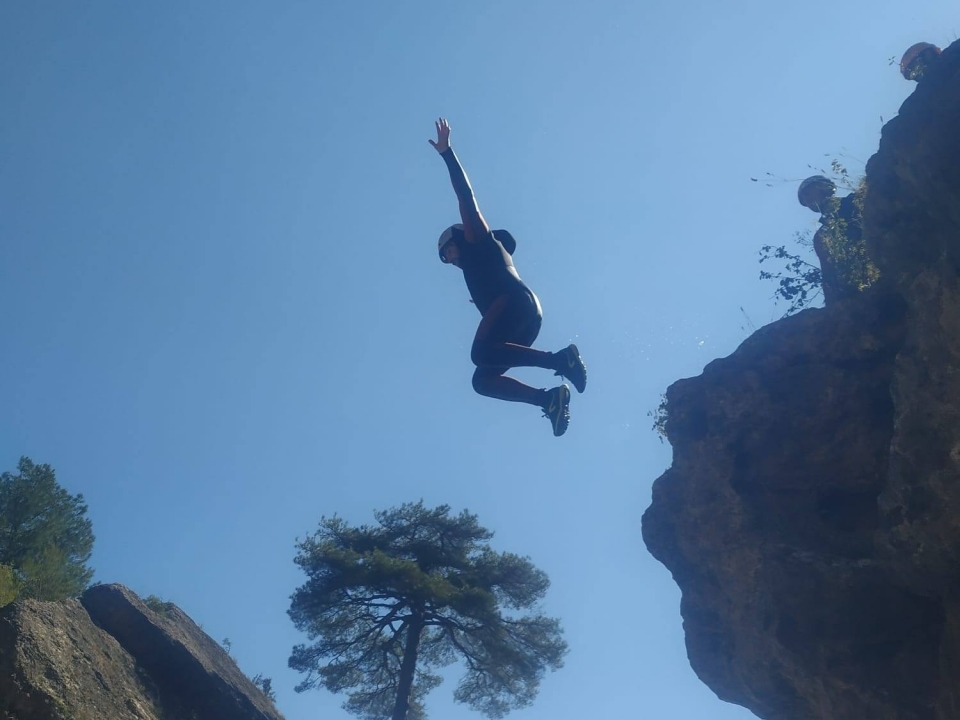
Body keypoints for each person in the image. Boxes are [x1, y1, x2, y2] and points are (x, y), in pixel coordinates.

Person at [429, 118, 586, 437]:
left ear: (457, 238)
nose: (450, 260)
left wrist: (447, 153)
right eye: (445, 259)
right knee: (482, 380)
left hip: (517, 305)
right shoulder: (476, 270)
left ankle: (561, 360)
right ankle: (549, 399)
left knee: (478, 354)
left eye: (448, 251)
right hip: (524, 323)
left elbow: (466, 197)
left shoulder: (477, 239)